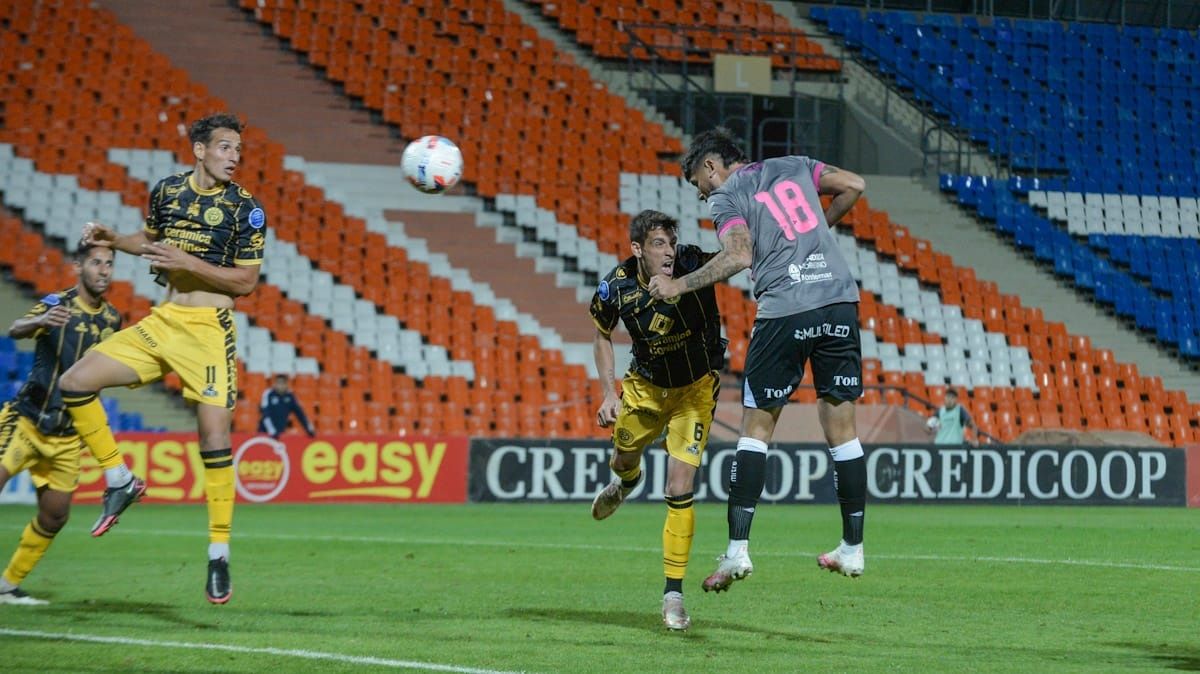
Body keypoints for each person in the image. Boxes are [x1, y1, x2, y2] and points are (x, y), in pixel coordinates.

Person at [57, 112, 266, 604]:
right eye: (224, 147)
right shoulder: (168, 191)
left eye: (238, 149)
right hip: (163, 320)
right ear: (199, 149)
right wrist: (113, 239)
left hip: (209, 332)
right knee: (75, 381)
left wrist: (190, 262)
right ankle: (120, 477)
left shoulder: (245, 209)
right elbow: (148, 243)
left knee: (213, 437)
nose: (234, 157)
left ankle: (218, 554)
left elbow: (247, 282)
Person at [649, 128, 869, 591]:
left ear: (712, 166)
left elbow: (737, 255)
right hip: (838, 302)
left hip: (785, 308)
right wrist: (820, 228)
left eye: (698, 183)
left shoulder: (728, 194)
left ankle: (737, 553)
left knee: (757, 431)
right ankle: (852, 548)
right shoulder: (795, 165)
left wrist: (677, 286)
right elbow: (855, 185)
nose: (702, 192)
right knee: (843, 430)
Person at [589, 209, 727, 631]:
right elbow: (601, 333)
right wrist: (610, 392)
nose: (668, 252)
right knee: (622, 460)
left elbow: (736, 257)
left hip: (696, 391)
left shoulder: (692, 262)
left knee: (678, 486)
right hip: (645, 389)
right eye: (658, 245)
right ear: (637, 250)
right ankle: (626, 483)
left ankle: (673, 595)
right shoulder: (616, 287)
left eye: (671, 242)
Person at [0, 243, 121, 605]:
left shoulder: (113, 320)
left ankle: (7, 586)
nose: (103, 270)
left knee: (54, 516)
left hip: (68, 437)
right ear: (78, 266)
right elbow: (15, 328)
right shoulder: (57, 304)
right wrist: (38, 321)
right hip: (27, 421)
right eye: (96, 262)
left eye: (109, 264)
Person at [258, 374, 315, 438]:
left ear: (286, 385)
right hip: (265, 432)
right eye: (278, 383)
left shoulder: (290, 396)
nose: (280, 386)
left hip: (280, 433)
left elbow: (300, 414)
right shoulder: (268, 394)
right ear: (275, 384)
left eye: (283, 383)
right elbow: (265, 414)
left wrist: (309, 429)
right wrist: (272, 431)